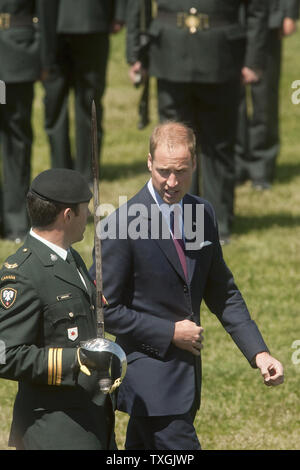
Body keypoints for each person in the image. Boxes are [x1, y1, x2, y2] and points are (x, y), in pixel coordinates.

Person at [90, 121, 284, 450]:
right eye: (164, 171)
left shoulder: (201, 212)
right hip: (151, 382)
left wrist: (259, 352)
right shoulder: (120, 226)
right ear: (149, 162)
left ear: (195, 163)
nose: (172, 182)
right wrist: (169, 332)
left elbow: (222, 291)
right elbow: (104, 311)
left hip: (185, 381)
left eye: (181, 171)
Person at [126, 0, 268, 244]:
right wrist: (135, 52)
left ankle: (217, 220)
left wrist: (253, 58)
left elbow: (257, 7)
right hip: (170, 47)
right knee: (174, 148)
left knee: (218, 144)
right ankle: (182, 221)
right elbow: (137, 5)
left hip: (221, 49)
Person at [0, 168, 116, 450]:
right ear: (67, 216)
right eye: (84, 209)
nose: (88, 215)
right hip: (55, 428)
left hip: (90, 418)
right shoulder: (23, 274)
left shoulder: (70, 257)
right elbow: (5, 355)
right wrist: (75, 360)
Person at [39, 0, 127, 183]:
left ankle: (66, 171)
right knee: (77, 103)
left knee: (66, 103)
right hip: (88, 17)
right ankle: (81, 172)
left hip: (61, 19)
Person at [235, 0, 299, 190]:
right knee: (230, 97)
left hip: (269, 19)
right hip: (229, 18)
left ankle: (261, 166)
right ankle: (236, 163)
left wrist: (289, 13)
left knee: (264, 98)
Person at [0, 0, 41, 242]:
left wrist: (44, 57)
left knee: (16, 137)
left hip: (16, 57)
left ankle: (15, 219)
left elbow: (45, 12)